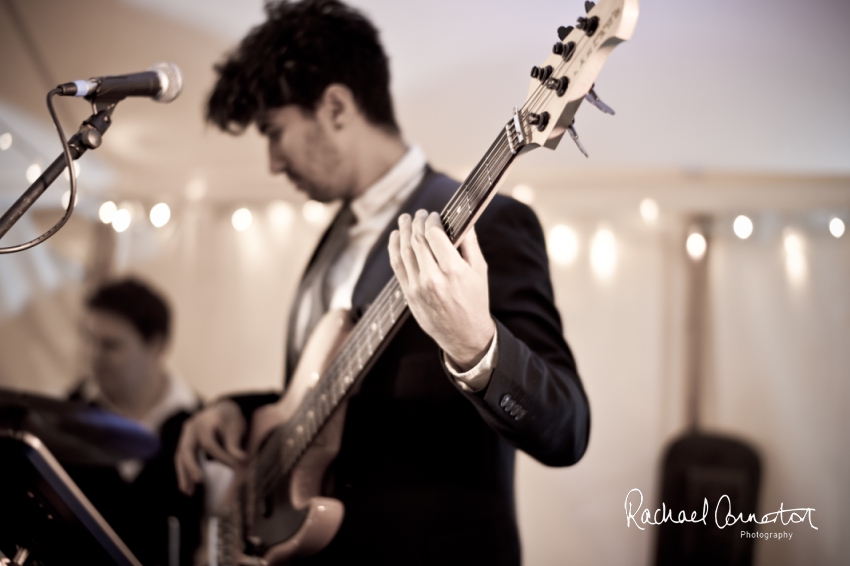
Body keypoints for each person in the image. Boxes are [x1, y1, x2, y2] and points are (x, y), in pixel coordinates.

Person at [175, 1, 590, 564]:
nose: (272, 162)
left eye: (274, 132)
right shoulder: (330, 241)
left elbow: (567, 427)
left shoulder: (490, 223)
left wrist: (476, 346)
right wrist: (238, 411)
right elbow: (314, 395)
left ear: (337, 106)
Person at [66, 278, 203, 566]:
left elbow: (217, 528)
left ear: (156, 345)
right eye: (89, 340)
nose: (93, 355)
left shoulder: (202, 425)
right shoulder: (63, 416)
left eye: (110, 345)